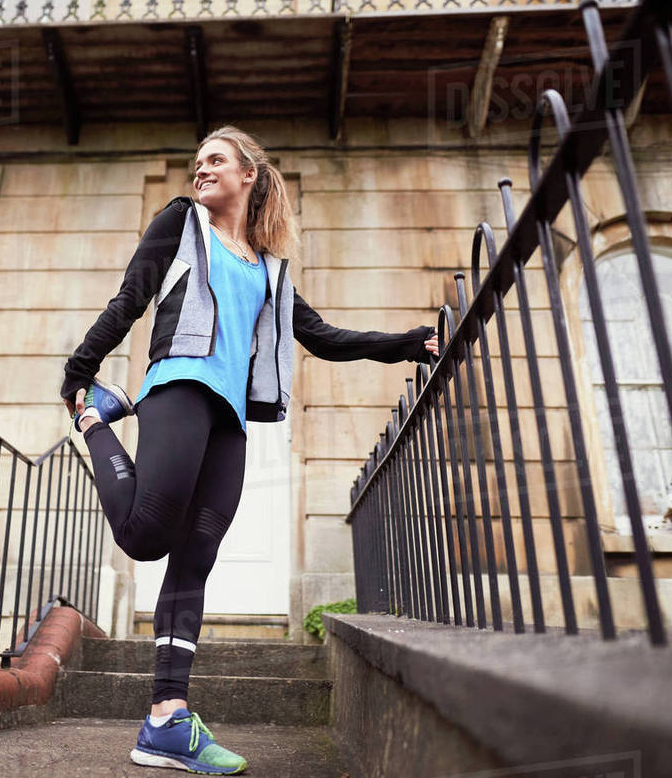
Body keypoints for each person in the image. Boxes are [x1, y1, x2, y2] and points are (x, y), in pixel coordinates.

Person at [60, 125, 439, 774]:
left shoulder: (270, 270)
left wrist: (404, 344)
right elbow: (131, 297)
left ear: (249, 175)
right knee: (146, 535)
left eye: (216, 159)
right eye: (198, 161)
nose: (201, 169)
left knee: (195, 560)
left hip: (230, 421)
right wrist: (79, 372)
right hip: (179, 387)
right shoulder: (182, 224)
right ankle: (98, 420)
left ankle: (166, 720)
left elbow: (323, 337)